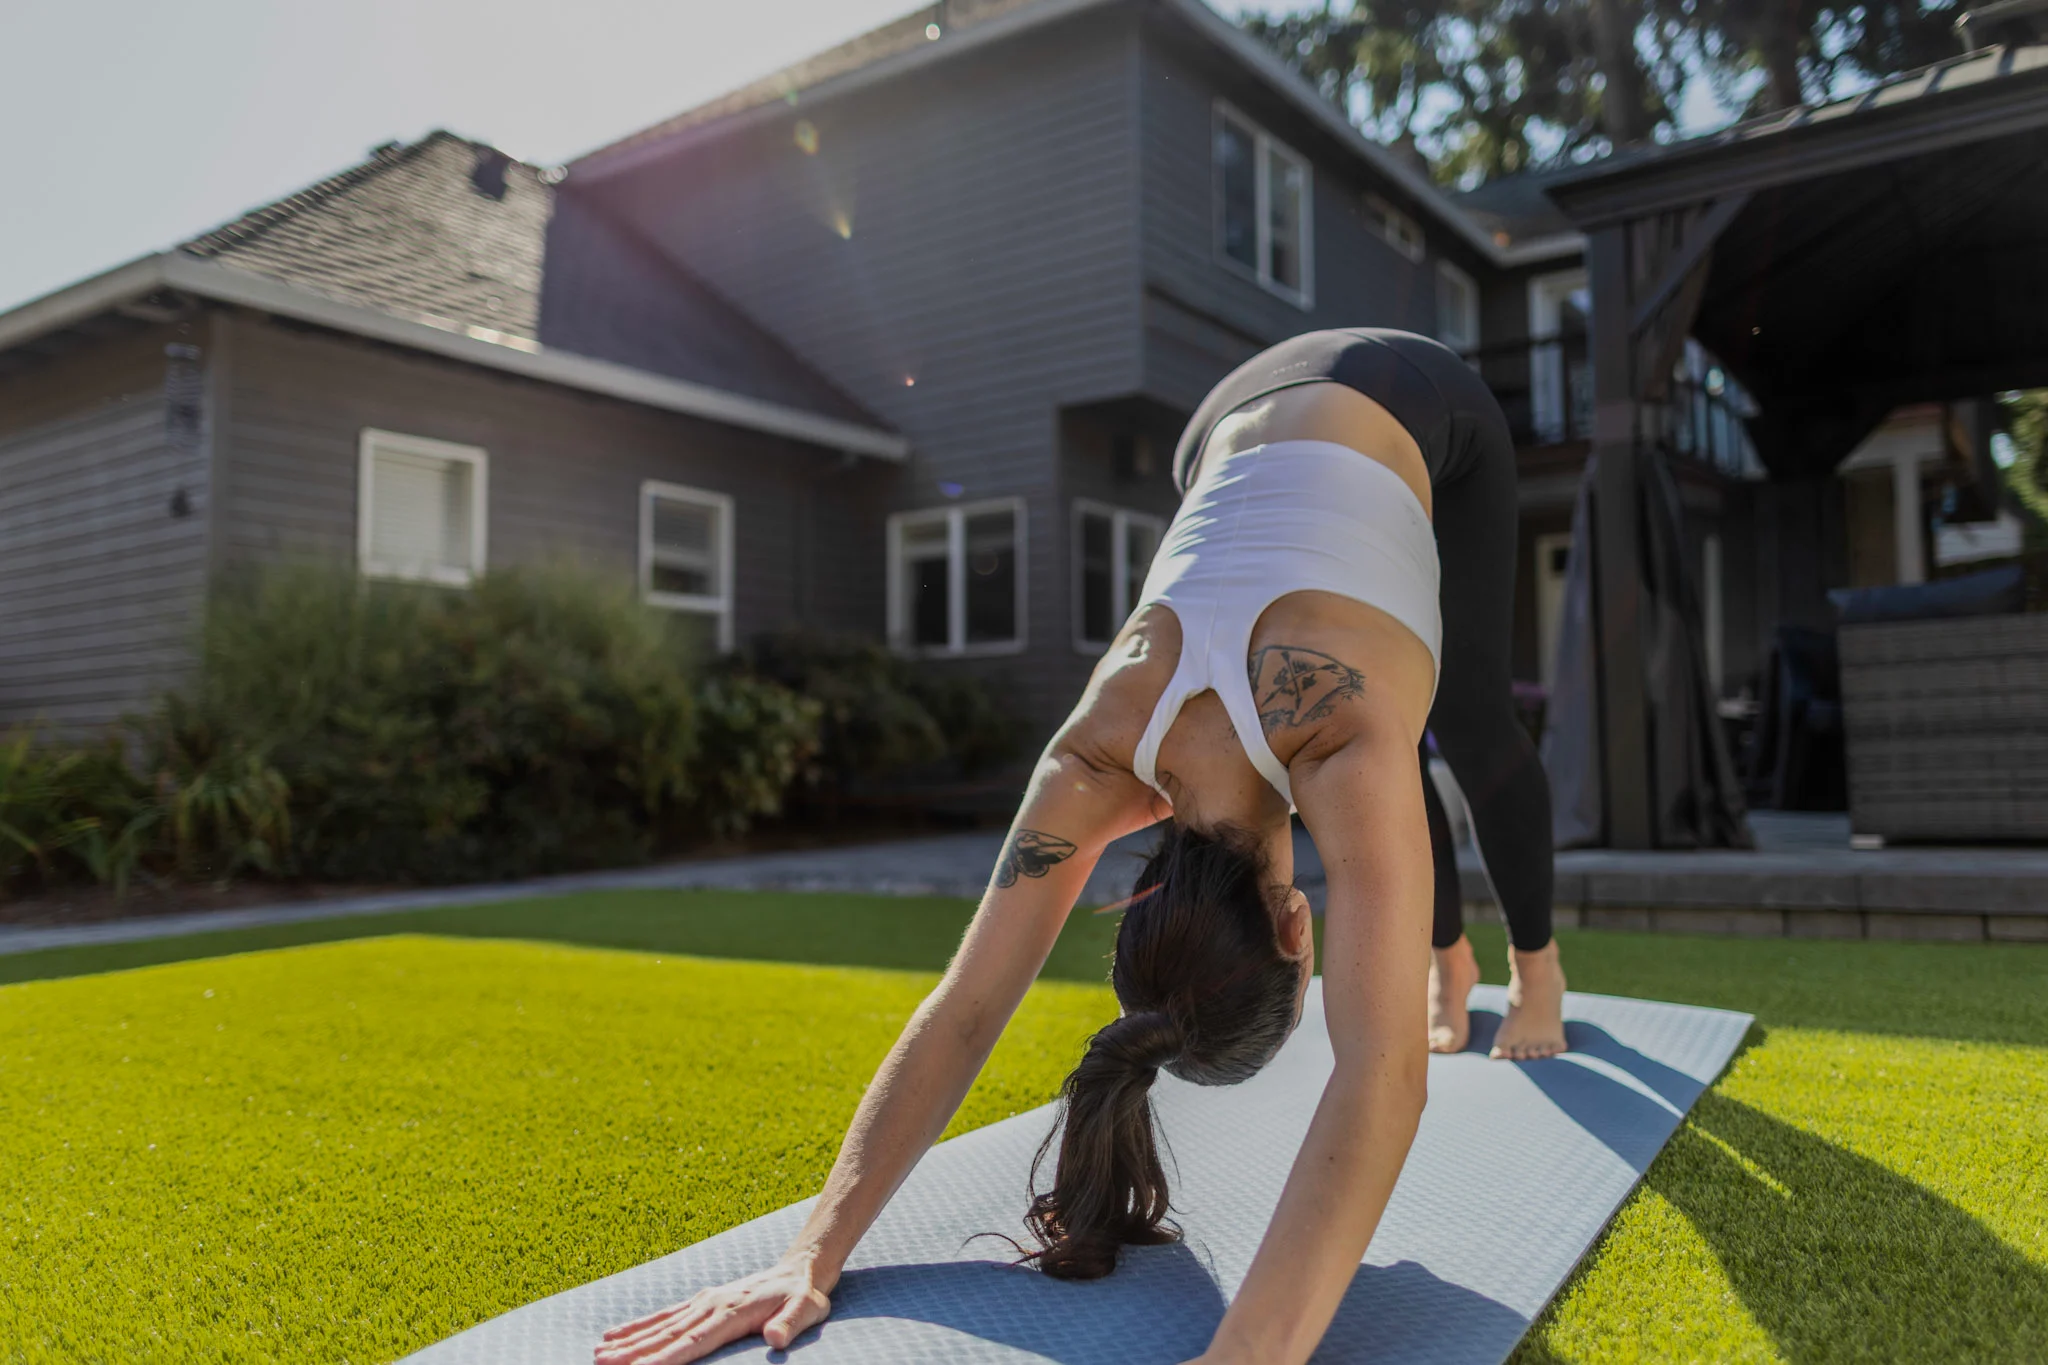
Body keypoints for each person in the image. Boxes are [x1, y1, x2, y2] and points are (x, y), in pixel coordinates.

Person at [594, 329, 1568, 1365]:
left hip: (1415, 395)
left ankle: (1531, 972)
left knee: (1464, 719)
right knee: (1394, 782)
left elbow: (1379, 1074)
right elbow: (962, 1006)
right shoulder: (1095, 763)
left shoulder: (1334, 736)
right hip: (1220, 426)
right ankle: (1444, 957)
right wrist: (805, 1256)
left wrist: (1250, 1354)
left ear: (1294, 926)